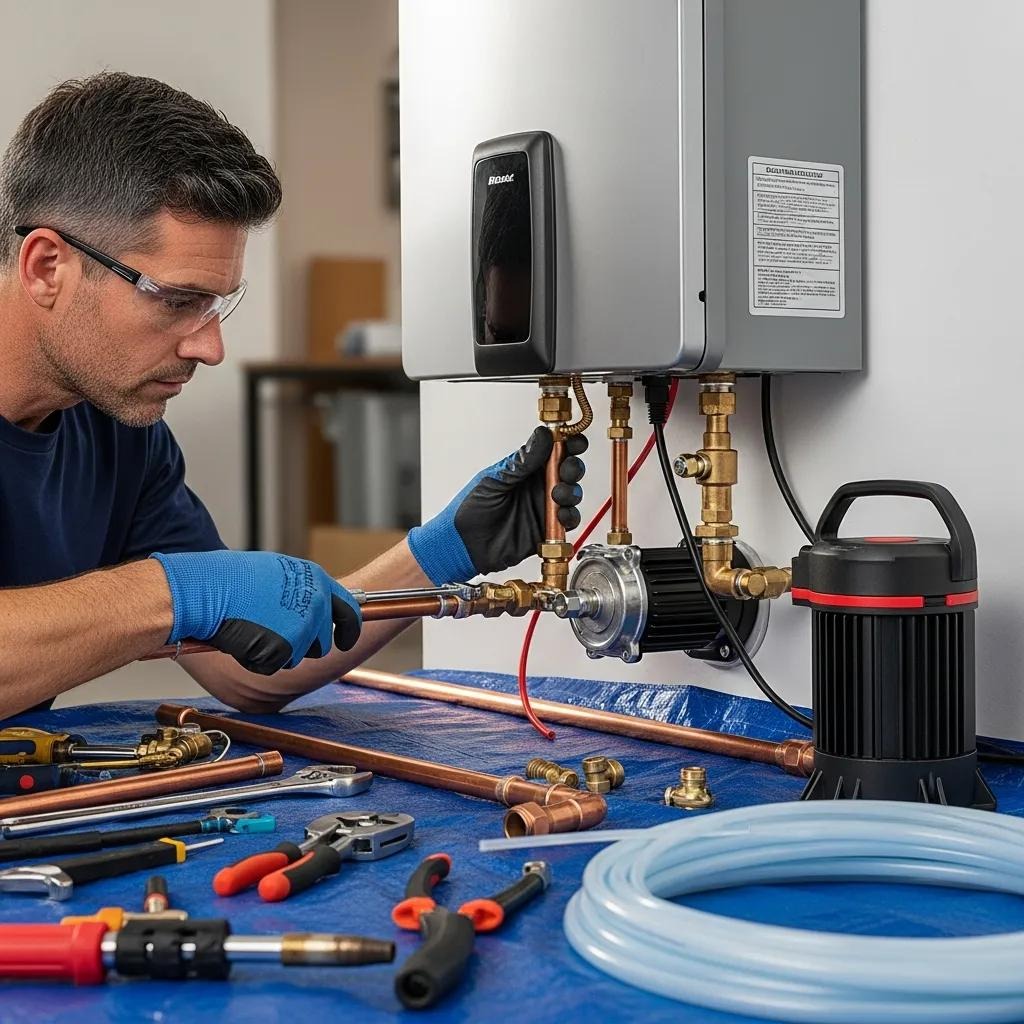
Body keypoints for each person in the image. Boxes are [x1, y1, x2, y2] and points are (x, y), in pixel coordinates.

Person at [0, 72, 586, 719]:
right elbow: (183, 601)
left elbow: (245, 671)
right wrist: (175, 592)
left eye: (217, 303)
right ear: (47, 267)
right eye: (177, 301)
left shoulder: (120, 438)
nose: (210, 347)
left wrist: (443, 551)